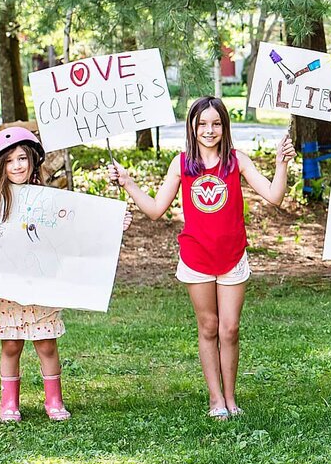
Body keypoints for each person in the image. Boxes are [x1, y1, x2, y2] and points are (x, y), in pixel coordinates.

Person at [109, 96, 293, 419]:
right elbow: (154, 210)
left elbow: (275, 196)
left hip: (232, 255)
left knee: (230, 329)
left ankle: (231, 398)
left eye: (216, 123)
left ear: (225, 126)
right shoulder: (181, 165)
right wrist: (127, 182)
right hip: (196, 258)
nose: (209, 130)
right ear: (192, 127)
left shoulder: (238, 161)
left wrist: (281, 163)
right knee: (208, 326)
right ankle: (215, 399)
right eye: (202, 123)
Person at [0, 126, 131, 422]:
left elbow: (76, 230)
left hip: (42, 285)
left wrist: (113, 224)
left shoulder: (49, 200)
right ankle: (9, 403)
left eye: (22, 159)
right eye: (10, 160)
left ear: (33, 163)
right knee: (11, 345)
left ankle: (54, 401)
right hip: (8, 290)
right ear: (0, 166)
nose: (17, 166)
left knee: (46, 344)